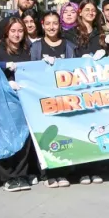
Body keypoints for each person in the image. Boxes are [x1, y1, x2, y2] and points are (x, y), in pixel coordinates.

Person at [0, 18, 37, 192]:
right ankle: (9, 177)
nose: (17, 34)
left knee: (24, 138)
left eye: (20, 31)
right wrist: (6, 74)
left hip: (24, 98)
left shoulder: (27, 49)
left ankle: (22, 174)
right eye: (13, 31)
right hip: (6, 101)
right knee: (9, 137)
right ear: (6, 32)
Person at [32, 11, 76, 187]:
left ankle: (62, 172)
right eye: (48, 23)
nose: (51, 27)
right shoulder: (36, 47)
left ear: (60, 25)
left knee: (63, 134)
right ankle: (47, 173)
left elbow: (74, 69)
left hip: (63, 98)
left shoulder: (69, 46)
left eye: (55, 23)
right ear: (43, 25)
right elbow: (30, 71)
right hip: (42, 98)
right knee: (45, 135)